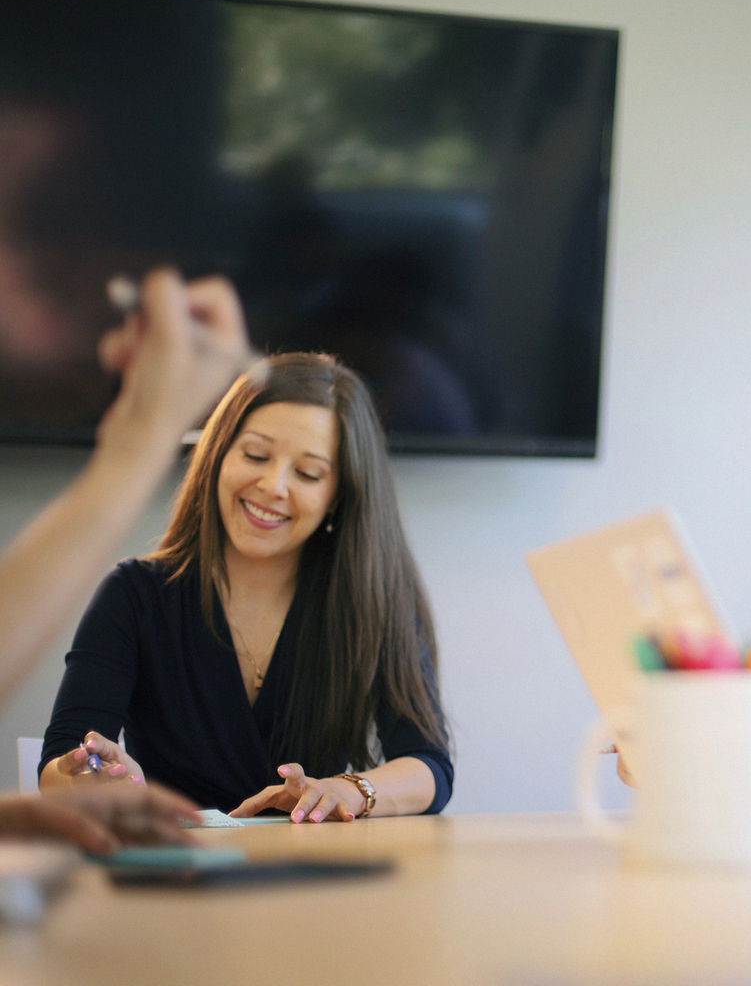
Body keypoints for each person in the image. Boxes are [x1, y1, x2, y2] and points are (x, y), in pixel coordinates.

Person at [38, 352, 454, 823]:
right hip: (177, 874)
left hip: (316, 877)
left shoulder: (372, 601)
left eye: (308, 473)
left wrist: (352, 790)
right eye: (255, 455)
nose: (273, 485)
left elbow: (430, 768)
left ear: (339, 494)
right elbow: (60, 765)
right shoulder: (133, 594)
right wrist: (99, 776)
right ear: (218, 455)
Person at [0, 267, 251, 851]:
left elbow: (427, 759)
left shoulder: (362, 603)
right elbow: (67, 757)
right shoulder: (140, 591)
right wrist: (140, 441)